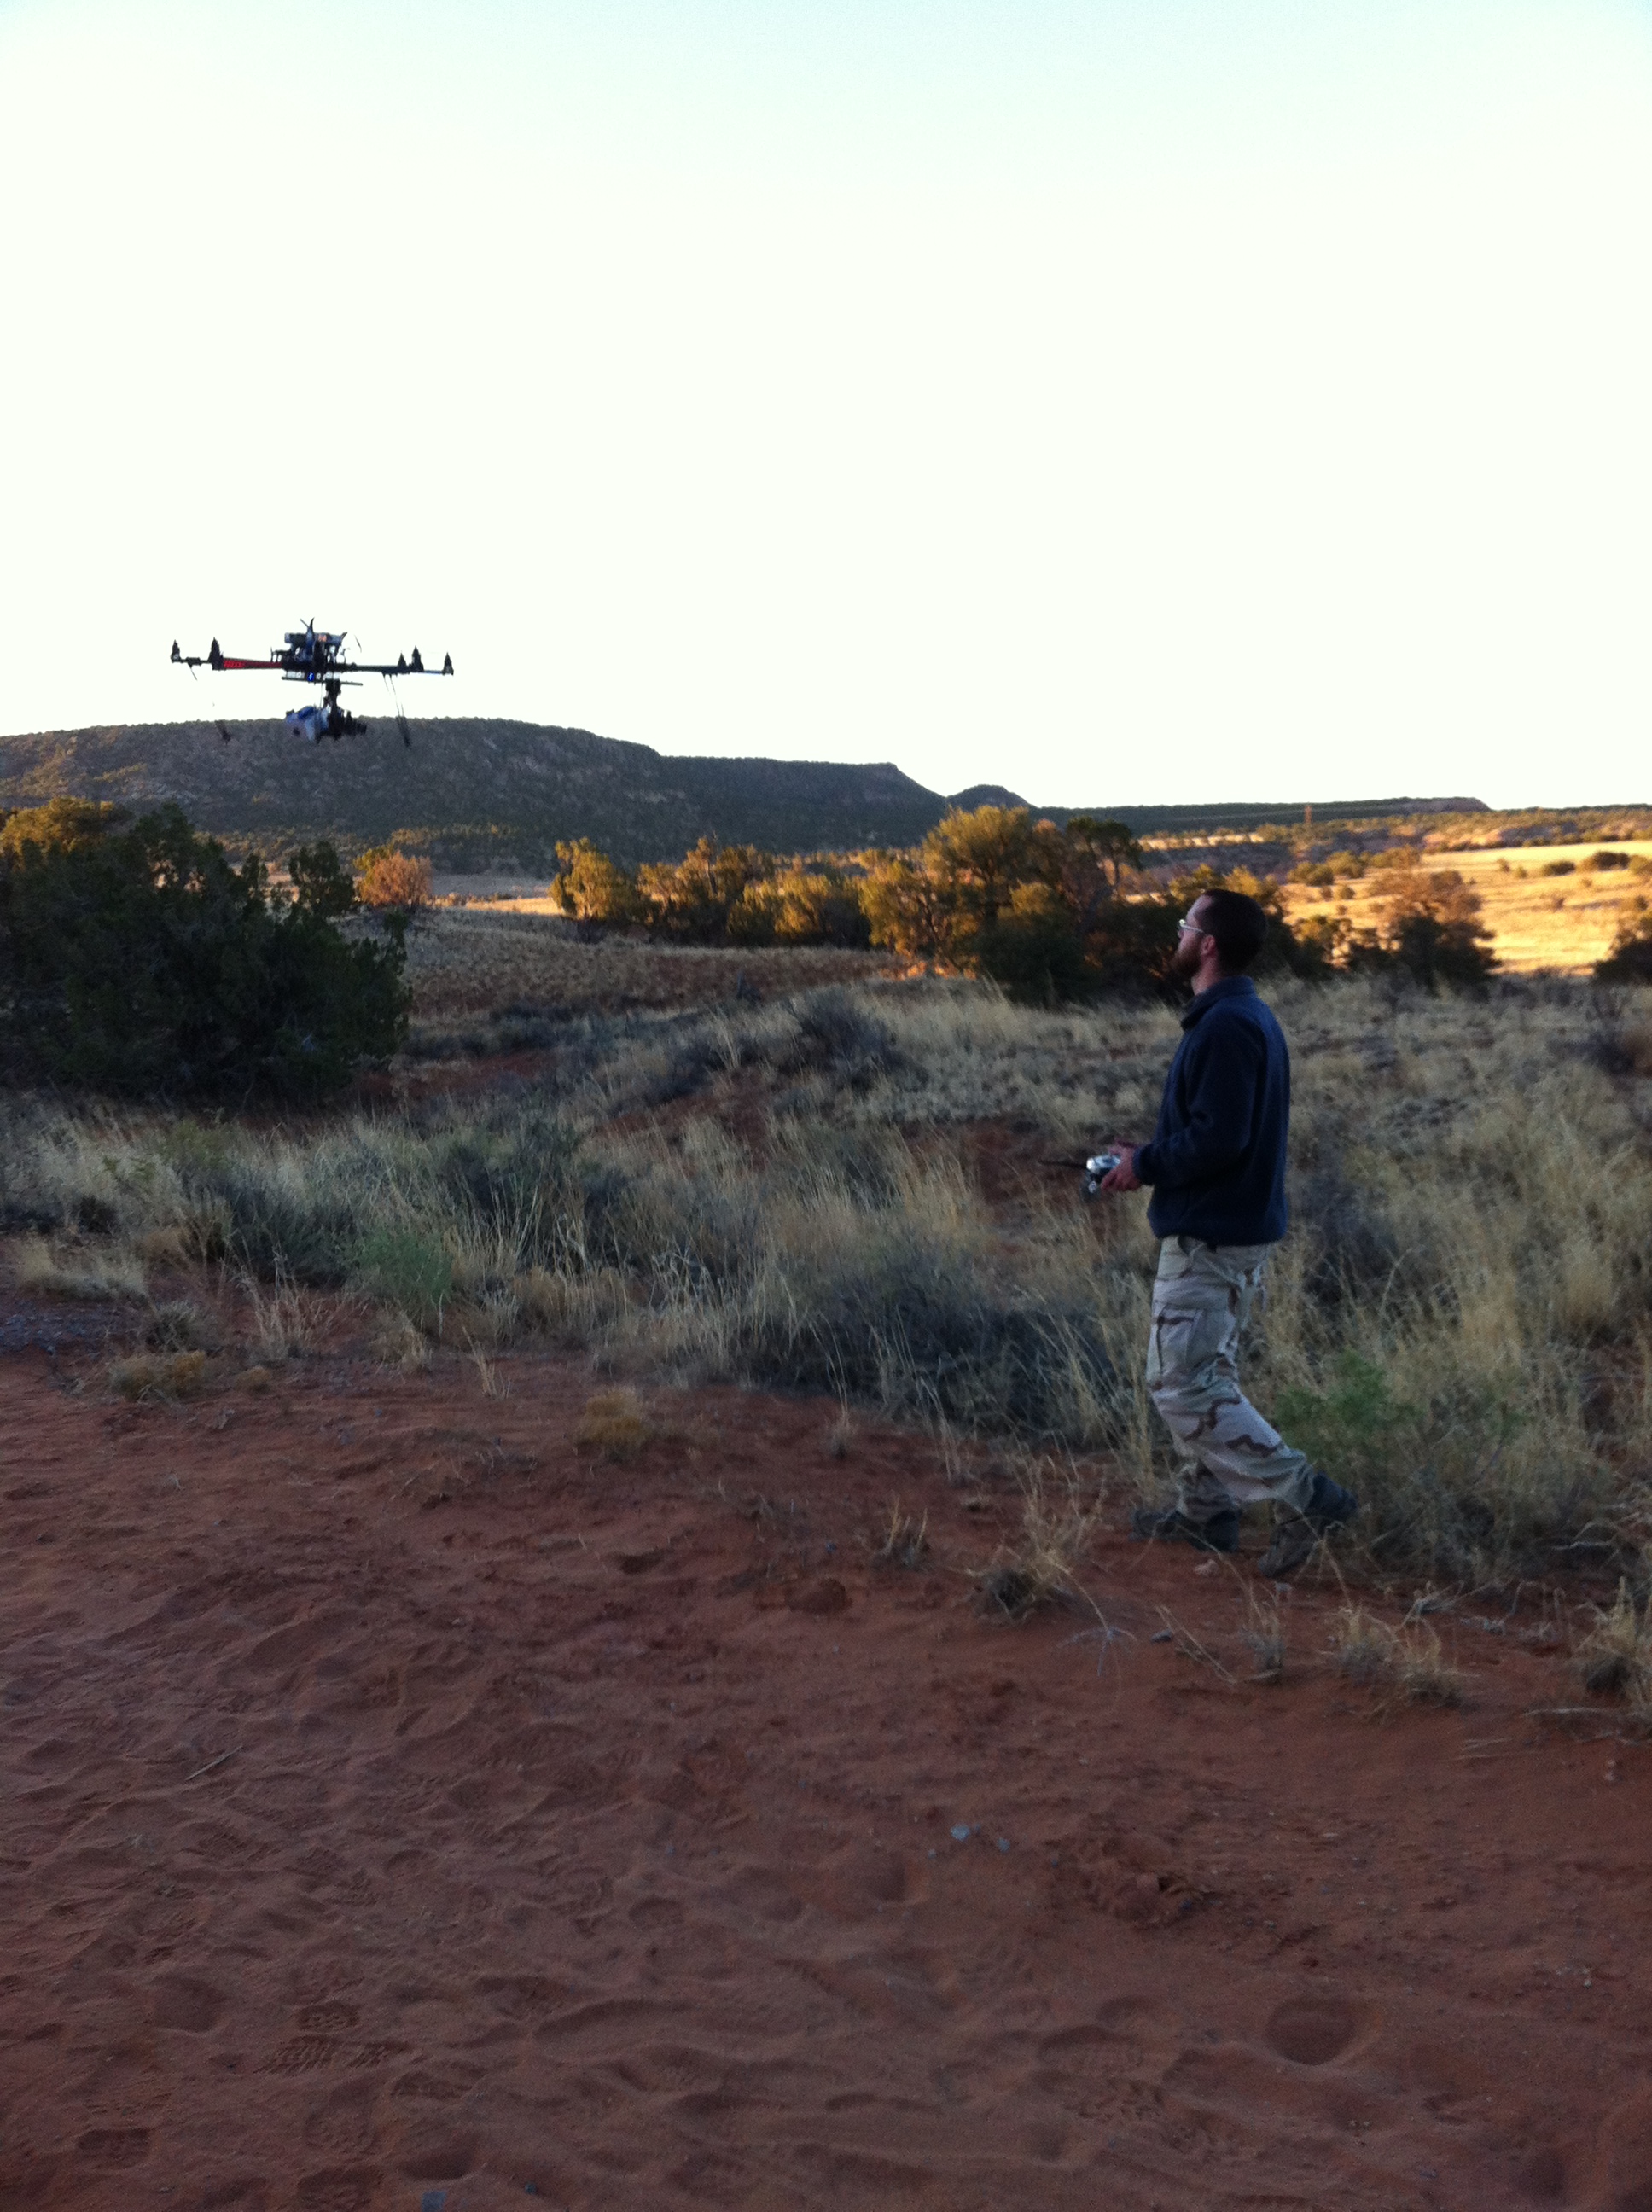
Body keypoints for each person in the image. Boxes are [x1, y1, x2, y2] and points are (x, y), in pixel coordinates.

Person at [1096, 887, 1357, 1577]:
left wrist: (1145, 1164)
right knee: (1205, 1370)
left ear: (1207, 944)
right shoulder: (1241, 1016)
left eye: (1185, 924)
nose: (1177, 934)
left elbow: (1220, 1139)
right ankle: (1206, 1515)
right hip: (1230, 1228)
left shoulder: (1226, 1027)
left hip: (1212, 1238)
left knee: (1183, 1384)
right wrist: (1144, 1155)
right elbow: (1217, 1128)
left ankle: (1306, 1499)